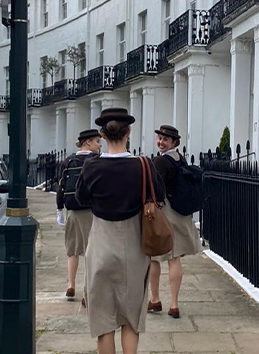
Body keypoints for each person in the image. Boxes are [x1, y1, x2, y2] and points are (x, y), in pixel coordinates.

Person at [76, 108, 165, 354]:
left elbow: (82, 199)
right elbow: (160, 196)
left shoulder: (91, 168)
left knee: (104, 323)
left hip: (101, 245)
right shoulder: (143, 165)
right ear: (128, 133)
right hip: (135, 247)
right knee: (130, 319)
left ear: (103, 136)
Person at [147, 125, 202, 319]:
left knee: (154, 258)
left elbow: (153, 189)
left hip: (164, 213)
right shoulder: (180, 159)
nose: (161, 142)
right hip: (180, 214)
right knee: (175, 258)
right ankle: (174, 304)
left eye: (165, 140)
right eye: (160, 138)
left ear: (174, 142)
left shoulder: (160, 161)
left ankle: (155, 300)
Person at [56, 129, 101, 304]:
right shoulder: (96, 162)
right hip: (91, 211)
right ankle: (86, 290)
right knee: (91, 252)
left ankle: (70, 283)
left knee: (73, 250)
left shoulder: (69, 161)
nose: (99, 145)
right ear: (87, 142)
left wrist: (59, 209)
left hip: (73, 211)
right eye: (97, 141)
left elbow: (61, 186)